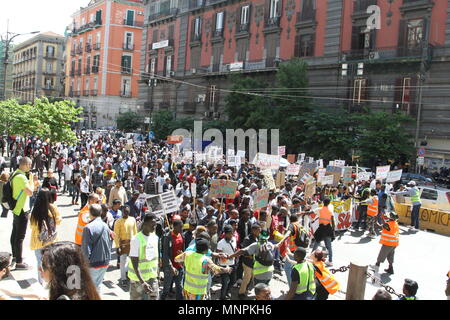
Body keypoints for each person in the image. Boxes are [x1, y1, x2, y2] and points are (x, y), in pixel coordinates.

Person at [29, 188, 62, 284]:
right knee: (52, 261)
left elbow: (32, 226)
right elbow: (59, 221)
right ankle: (52, 280)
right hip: (52, 240)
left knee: (40, 262)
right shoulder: (52, 208)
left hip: (39, 241)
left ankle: (41, 281)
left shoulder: (35, 210)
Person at [10, 157, 36, 270]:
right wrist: (32, 181)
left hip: (16, 208)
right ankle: (19, 262)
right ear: (25, 164)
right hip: (22, 209)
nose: (30, 167)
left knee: (15, 233)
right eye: (30, 165)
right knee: (20, 237)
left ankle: (15, 255)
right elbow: (30, 192)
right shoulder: (22, 177)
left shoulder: (15, 173)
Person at [81, 204, 113, 291]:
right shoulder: (105, 225)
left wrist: (83, 264)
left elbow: (86, 250)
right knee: (97, 287)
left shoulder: (88, 228)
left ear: (90, 213)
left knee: (89, 289)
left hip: (93, 263)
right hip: (105, 261)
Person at [128, 213, 160, 300]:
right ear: (145, 224)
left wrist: (158, 274)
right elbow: (135, 264)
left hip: (152, 278)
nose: (154, 227)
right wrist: (143, 282)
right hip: (138, 281)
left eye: (155, 225)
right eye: (152, 224)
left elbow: (156, 258)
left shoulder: (155, 238)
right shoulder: (136, 240)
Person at [274, 213, 309, 286]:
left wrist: (280, 242)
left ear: (290, 220)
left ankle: (292, 288)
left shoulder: (292, 225)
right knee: (297, 268)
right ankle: (300, 285)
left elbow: (287, 234)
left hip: (294, 251)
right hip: (301, 250)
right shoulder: (300, 225)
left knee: (287, 268)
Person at [113, 205, 138, 287]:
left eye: (127, 211)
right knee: (123, 261)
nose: (126, 213)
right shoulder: (118, 221)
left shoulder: (132, 219)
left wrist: (136, 243)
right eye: (124, 211)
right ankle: (123, 279)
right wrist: (117, 246)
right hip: (123, 244)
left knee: (132, 261)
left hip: (132, 243)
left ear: (129, 211)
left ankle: (131, 276)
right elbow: (116, 235)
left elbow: (135, 232)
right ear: (122, 211)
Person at [161, 219, 185, 300]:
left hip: (179, 266)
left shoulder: (182, 235)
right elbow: (165, 254)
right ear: (174, 227)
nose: (182, 229)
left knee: (179, 287)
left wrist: (182, 254)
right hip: (170, 267)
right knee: (166, 289)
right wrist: (171, 267)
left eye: (182, 227)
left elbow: (183, 250)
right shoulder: (167, 237)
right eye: (180, 227)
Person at [217, 224, 238, 300]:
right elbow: (219, 255)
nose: (231, 235)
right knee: (225, 283)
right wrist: (227, 258)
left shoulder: (234, 239)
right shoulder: (220, 243)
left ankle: (227, 292)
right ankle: (222, 297)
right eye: (229, 233)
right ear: (225, 234)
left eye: (232, 233)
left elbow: (235, 249)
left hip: (233, 264)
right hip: (224, 266)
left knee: (233, 280)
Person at [312, 198, 334, 266]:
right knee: (329, 247)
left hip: (321, 229)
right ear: (329, 203)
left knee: (316, 244)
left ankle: (311, 258)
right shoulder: (330, 211)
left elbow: (311, 212)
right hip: (328, 229)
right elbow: (333, 222)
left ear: (323, 202)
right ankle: (330, 261)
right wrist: (333, 230)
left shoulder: (319, 209)